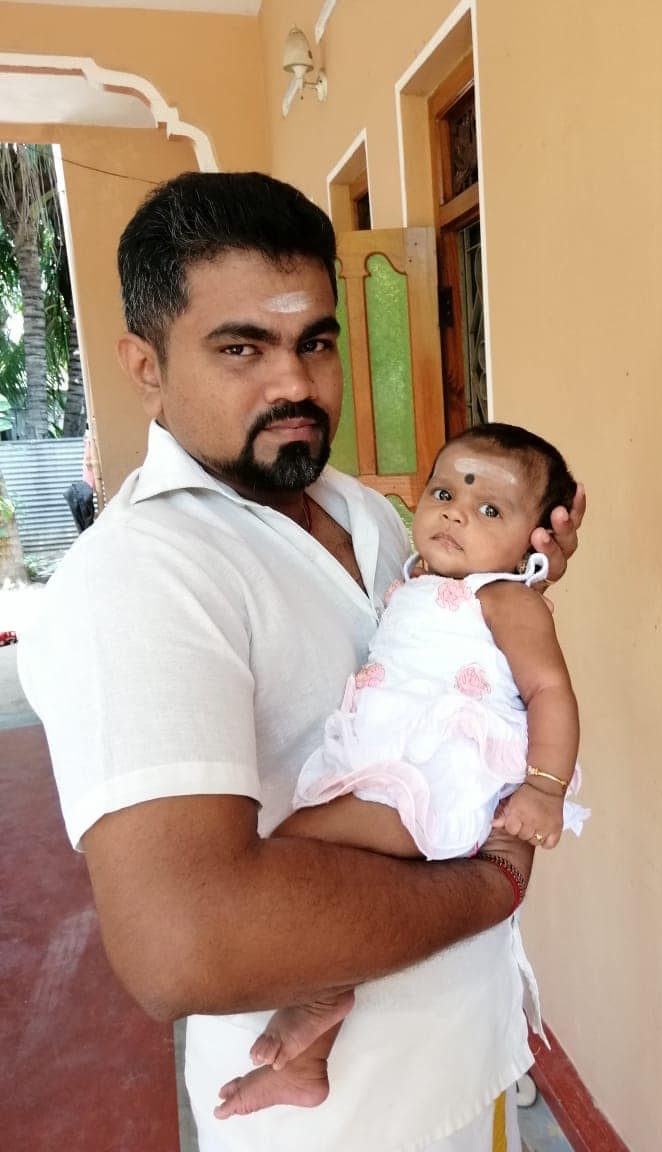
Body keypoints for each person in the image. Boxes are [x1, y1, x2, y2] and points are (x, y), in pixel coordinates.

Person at [17, 172, 585, 1152]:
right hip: (342, 1126)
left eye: (315, 342)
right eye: (242, 347)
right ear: (145, 366)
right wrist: (494, 882)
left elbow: (432, 675)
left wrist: (509, 590)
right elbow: (184, 945)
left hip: (469, 1053)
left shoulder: (362, 509)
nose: (295, 384)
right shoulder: (138, 579)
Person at [214, 421, 591, 1120]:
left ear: (534, 544)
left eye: (489, 509)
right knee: (327, 879)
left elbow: (549, 691)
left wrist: (544, 788)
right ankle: (310, 1058)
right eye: (444, 493)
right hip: (388, 761)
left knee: (296, 848)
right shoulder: (419, 576)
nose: (455, 513)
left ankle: (318, 1008)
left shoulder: (505, 599)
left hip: (441, 772)